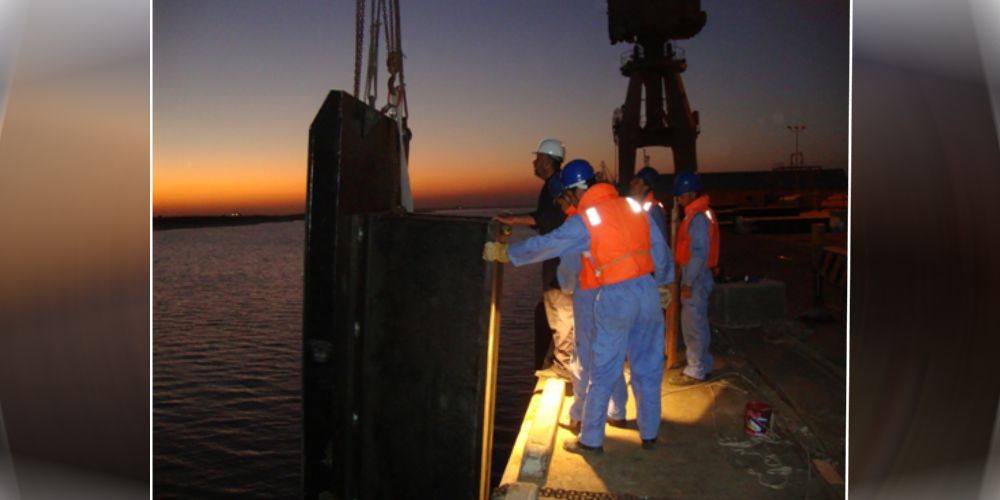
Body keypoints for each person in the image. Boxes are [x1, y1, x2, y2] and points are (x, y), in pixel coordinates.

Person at [486, 159, 673, 453]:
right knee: (647, 366)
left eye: (567, 195)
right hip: (648, 291)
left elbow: (547, 244)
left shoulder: (586, 220)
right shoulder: (633, 206)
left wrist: (507, 253)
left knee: (602, 369)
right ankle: (650, 434)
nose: (567, 201)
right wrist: (663, 282)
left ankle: (591, 439)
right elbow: (659, 249)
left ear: (574, 191)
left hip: (616, 295)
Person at [494, 139, 574, 380]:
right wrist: (515, 220)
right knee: (560, 311)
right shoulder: (555, 185)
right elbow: (544, 219)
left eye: (538, 158)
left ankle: (565, 365)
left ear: (548, 162)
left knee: (560, 310)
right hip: (563, 259)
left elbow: (549, 227)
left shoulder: (554, 186)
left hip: (559, 260)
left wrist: (509, 252)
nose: (534, 162)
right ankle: (567, 361)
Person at [669, 171, 720, 386]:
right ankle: (703, 365)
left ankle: (696, 369)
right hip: (699, 275)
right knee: (698, 322)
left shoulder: (697, 217)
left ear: (689, 193)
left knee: (692, 325)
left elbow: (698, 253)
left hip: (696, 277)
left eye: (680, 196)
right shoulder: (700, 214)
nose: (679, 200)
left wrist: (687, 282)